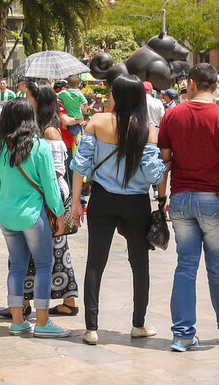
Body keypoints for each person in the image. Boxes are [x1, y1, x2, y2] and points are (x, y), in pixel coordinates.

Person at [158, 63, 219, 351]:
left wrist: (162, 197)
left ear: (190, 84)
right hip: (214, 199)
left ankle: (183, 334)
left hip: (181, 198)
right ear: (216, 87)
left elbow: (164, 161)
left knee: (185, 266)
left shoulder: (171, 115)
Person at [70, 75, 166, 345]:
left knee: (95, 262)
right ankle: (138, 324)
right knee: (140, 264)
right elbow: (152, 173)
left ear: (116, 95)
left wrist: (76, 201)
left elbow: (81, 165)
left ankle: (91, 328)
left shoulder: (97, 122)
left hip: (101, 199)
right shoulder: (147, 128)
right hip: (136, 202)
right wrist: (162, 188)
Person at [0, 81, 78, 319]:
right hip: (33, 216)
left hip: (7, 216)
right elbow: (51, 187)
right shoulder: (39, 147)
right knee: (43, 265)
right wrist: (59, 214)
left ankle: (18, 321)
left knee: (17, 267)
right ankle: (42, 322)